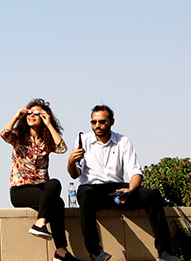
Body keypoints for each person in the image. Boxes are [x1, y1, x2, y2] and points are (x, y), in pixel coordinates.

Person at [67, 105, 181, 261]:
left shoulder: (123, 141)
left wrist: (131, 190)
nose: (97, 126)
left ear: (112, 122)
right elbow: (75, 174)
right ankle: (95, 252)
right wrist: (71, 162)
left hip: (117, 190)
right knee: (84, 193)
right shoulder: (83, 140)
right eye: (94, 122)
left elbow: (135, 171)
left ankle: (165, 252)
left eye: (102, 121)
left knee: (152, 195)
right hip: (92, 190)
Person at [1, 99, 80, 261]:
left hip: (43, 190)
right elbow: (4, 134)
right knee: (56, 202)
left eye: (37, 113)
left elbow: (62, 148)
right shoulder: (19, 136)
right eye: (30, 113)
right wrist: (17, 115)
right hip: (20, 190)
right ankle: (43, 228)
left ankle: (59, 249)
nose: (32, 116)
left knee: (56, 188)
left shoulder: (46, 140)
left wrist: (49, 124)